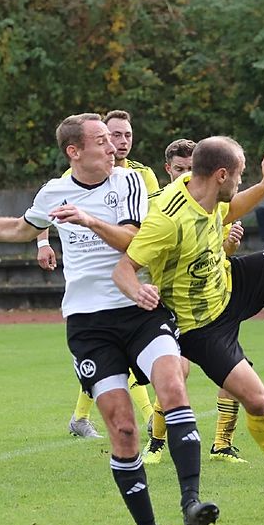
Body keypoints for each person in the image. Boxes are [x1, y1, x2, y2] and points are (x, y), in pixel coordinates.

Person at [0, 113, 218, 525]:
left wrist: (87, 219)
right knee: (122, 429)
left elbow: (133, 242)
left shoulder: (127, 183)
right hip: (88, 324)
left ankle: (191, 501)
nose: (112, 146)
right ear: (74, 152)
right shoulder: (53, 191)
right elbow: (20, 228)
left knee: (173, 386)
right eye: (101, 141)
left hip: (137, 308)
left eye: (112, 139)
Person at [113, 136, 264, 507]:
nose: (240, 183)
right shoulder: (167, 218)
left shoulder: (209, 193)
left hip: (231, 281)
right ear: (221, 174)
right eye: (241, 176)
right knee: (258, 402)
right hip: (203, 328)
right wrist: (139, 292)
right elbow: (124, 268)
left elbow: (230, 211)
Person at [36, 109, 162, 440]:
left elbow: (140, 234)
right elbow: (40, 215)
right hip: (87, 309)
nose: (119, 143)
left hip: (133, 293)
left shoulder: (140, 177)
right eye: (111, 136)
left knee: (172, 378)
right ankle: (87, 418)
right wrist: (41, 241)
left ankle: (158, 428)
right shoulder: (68, 176)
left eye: (125, 136)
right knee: (117, 401)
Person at [143, 138, 249, 466]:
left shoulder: (216, 201)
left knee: (235, 372)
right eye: (179, 169)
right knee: (176, 371)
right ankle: (157, 444)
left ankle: (222, 445)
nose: (184, 174)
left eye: (190, 169)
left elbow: (215, 257)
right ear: (167, 170)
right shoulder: (159, 204)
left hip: (210, 301)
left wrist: (229, 244)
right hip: (171, 303)